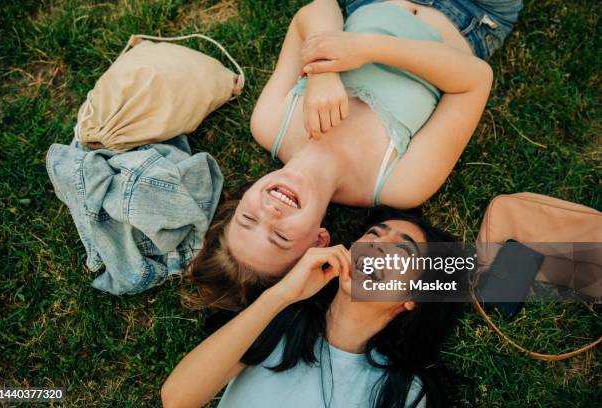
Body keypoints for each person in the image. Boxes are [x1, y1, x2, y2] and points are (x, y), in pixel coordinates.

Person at [185, 0, 523, 311]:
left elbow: (317, 9)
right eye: (280, 237)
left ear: (242, 199)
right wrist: (366, 48)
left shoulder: (271, 123)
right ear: (319, 240)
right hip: (470, 15)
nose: (270, 215)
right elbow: (476, 79)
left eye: (248, 220)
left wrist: (323, 72)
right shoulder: (397, 185)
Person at [163, 208, 464, 407]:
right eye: (374, 234)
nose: (378, 245)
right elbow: (177, 399)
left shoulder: (404, 392)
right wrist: (281, 295)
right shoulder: (277, 321)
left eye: (402, 249)